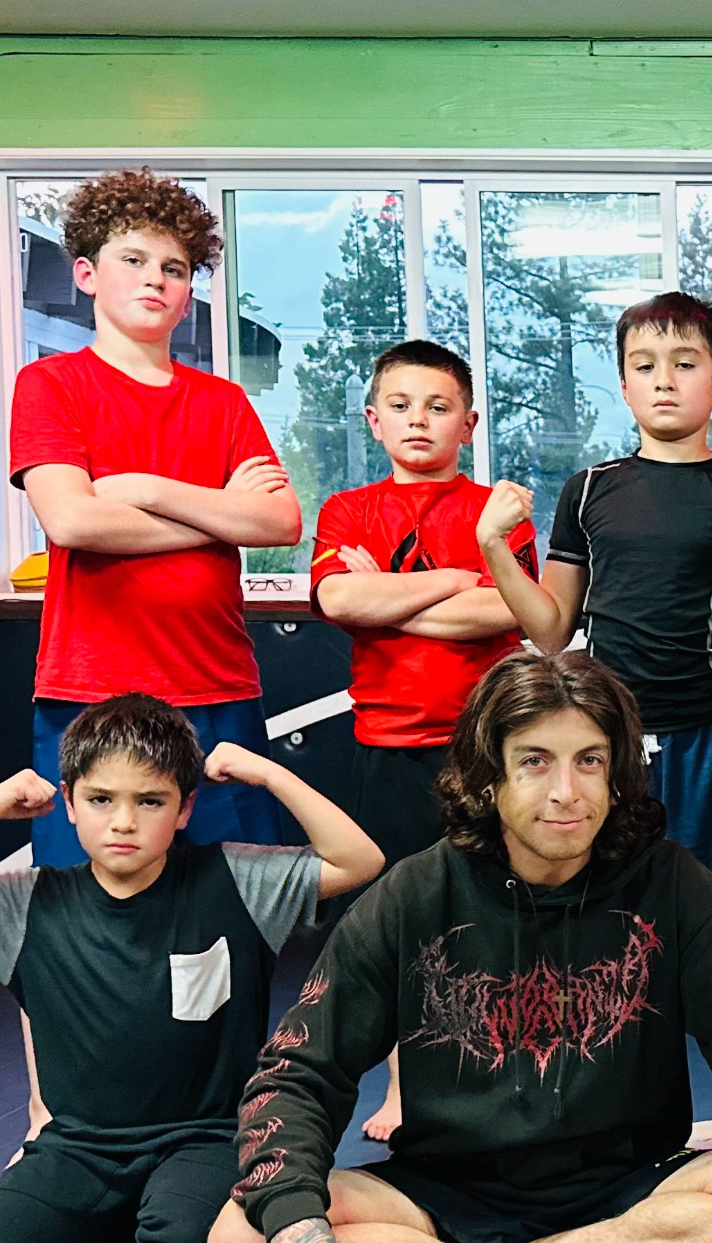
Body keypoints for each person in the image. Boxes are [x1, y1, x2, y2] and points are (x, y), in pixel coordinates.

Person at [207, 651, 712, 1243]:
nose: (567, 792)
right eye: (534, 762)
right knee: (242, 1236)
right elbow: (298, 1074)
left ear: (618, 774)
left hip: (631, 1193)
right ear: (488, 777)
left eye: (590, 761)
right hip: (442, 1195)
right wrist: (295, 1224)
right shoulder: (415, 894)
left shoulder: (674, 887)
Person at [0, 694, 381, 1243]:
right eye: (101, 799)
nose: (123, 822)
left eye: (150, 801)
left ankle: (147, 1215)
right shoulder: (26, 904)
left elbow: (360, 860)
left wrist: (267, 774)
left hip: (207, 1137)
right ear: (69, 803)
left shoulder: (236, 880)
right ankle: (106, 1217)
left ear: (185, 809)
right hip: (80, 1148)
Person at [478, 291, 712, 941]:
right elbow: (551, 632)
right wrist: (493, 546)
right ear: (625, 386)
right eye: (645, 365)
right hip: (605, 736)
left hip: (710, 731)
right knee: (605, 919)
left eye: (685, 363)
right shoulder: (588, 489)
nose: (664, 380)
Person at [12, 168, 301, 870]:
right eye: (134, 260)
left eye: (174, 268)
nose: (156, 280)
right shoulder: (49, 384)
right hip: (89, 690)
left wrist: (146, 489)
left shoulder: (224, 402)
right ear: (86, 274)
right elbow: (73, 522)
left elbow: (280, 523)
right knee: (87, 897)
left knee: (235, 891)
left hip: (217, 685)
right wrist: (220, 515)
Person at [310, 339, 536, 1144]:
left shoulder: (496, 510)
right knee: (402, 926)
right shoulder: (347, 510)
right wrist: (452, 581)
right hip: (387, 745)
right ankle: (407, 1082)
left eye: (438, 407)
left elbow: (505, 609)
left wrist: (390, 591)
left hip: (483, 749)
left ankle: (505, 1071)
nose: (419, 420)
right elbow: (341, 600)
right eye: (401, 406)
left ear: (467, 423)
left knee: (492, 914)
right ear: (373, 420)